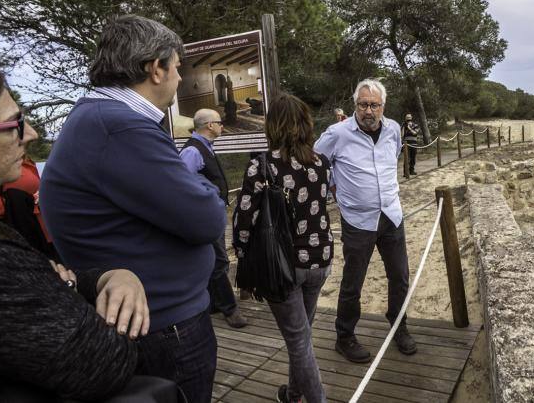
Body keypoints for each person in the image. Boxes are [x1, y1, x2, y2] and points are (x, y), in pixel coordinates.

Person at [40, 15, 227, 403]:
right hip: (166, 328)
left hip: (151, 318)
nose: (179, 78)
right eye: (176, 67)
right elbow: (208, 217)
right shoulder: (121, 127)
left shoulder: (103, 119)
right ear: (155, 68)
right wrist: (205, 187)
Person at [0, 61, 150, 400]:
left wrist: (113, 276)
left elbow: (43, 277)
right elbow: (106, 361)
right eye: (14, 123)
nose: (31, 133)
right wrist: (71, 287)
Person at [234, 93, 334, 403]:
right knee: (301, 338)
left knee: (298, 341)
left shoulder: (262, 166)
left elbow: (245, 219)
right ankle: (293, 395)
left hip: (283, 266)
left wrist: (241, 256)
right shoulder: (322, 163)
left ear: (272, 126)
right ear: (305, 124)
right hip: (321, 259)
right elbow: (324, 203)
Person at [314, 78, 417, 363]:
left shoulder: (394, 129)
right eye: (363, 105)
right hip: (358, 221)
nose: (368, 111)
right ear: (355, 105)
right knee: (352, 282)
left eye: (374, 105)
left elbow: (393, 158)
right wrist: (335, 187)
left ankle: (399, 326)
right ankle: (344, 337)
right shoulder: (337, 133)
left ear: (383, 106)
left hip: (391, 215)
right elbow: (316, 163)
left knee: (400, 276)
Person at [179, 109, 247, 328]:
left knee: (215, 260)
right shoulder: (192, 151)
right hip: (203, 215)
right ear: (209, 125)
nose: (222, 127)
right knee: (219, 260)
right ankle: (230, 309)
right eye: (219, 123)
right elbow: (183, 185)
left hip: (212, 212)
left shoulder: (205, 146)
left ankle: (213, 305)